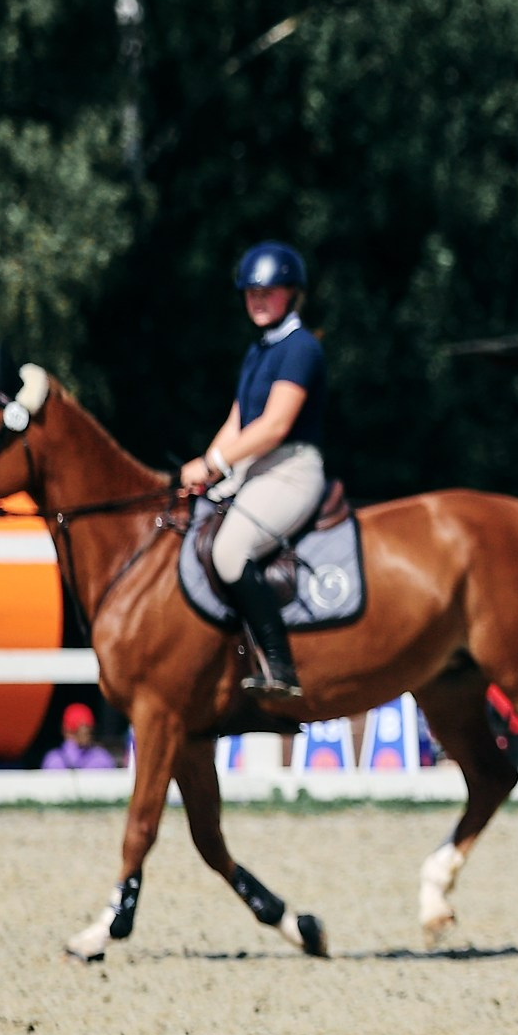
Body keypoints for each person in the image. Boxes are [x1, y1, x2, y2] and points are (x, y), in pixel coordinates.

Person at [176, 242, 328, 708]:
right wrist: (205, 465)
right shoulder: (259, 350)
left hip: (292, 468)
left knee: (228, 550)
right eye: (250, 292)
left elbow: (275, 425)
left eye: (269, 291)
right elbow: (239, 421)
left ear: (291, 293)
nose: (257, 300)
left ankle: (279, 663)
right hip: (256, 464)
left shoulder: (301, 348)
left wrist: (216, 464)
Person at [41, 703, 117, 771]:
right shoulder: (54, 760)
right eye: (81, 731)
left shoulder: (101, 757)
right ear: (68, 732)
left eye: (89, 731)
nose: (87, 735)